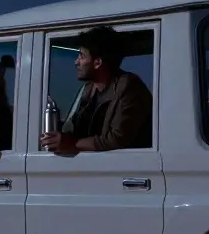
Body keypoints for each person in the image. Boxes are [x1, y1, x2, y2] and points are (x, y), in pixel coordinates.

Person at [40, 25, 153, 153]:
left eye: (81, 56)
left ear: (98, 62)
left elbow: (115, 139)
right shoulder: (89, 88)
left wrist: (72, 143)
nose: (76, 62)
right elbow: (73, 127)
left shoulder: (129, 87)